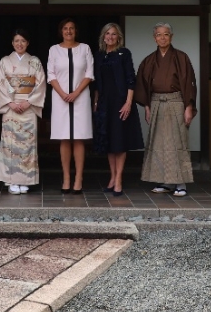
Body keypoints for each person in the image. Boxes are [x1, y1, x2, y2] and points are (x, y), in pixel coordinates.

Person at [135, 22, 197, 197]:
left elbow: (189, 83)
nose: (162, 38)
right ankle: (164, 181)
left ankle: (180, 182)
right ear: (154, 37)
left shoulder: (181, 58)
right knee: (159, 143)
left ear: (171, 37)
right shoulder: (149, 60)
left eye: (166, 34)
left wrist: (188, 107)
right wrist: (147, 107)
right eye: (159, 35)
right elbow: (143, 85)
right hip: (155, 102)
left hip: (176, 101)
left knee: (178, 143)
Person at [93, 23, 143, 197]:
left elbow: (131, 79)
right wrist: (96, 102)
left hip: (121, 102)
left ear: (118, 37)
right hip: (105, 103)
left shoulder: (124, 53)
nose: (110, 37)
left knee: (120, 142)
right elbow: (97, 83)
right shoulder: (98, 56)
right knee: (109, 142)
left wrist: (129, 103)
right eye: (107, 34)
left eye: (114, 34)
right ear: (103, 36)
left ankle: (119, 179)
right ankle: (112, 177)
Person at [0, 29, 46, 194]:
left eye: (23, 41)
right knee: (10, 145)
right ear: (12, 43)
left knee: (27, 144)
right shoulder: (4, 61)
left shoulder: (35, 61)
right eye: (16, 41)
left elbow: (41, 83)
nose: (19, 44)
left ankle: (26, 180)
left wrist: (28, 101)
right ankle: (11, 181)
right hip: (11, 107)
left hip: (28, 107)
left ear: (28, 43)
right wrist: (10, 102)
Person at [47, 18, 94, 193]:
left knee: (79, 137)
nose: (68, 31)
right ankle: (66, 177)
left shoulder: (85, 48)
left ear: (76, 31)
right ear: (61, 31)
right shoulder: (54, 50)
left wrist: (75, 92)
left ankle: (78, 178)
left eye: (72, 28)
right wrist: (63, 94)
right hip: (60, 98)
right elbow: (51, 74)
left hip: (80, 97)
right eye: (65, 28)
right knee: (64, 137)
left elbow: (89, 73)